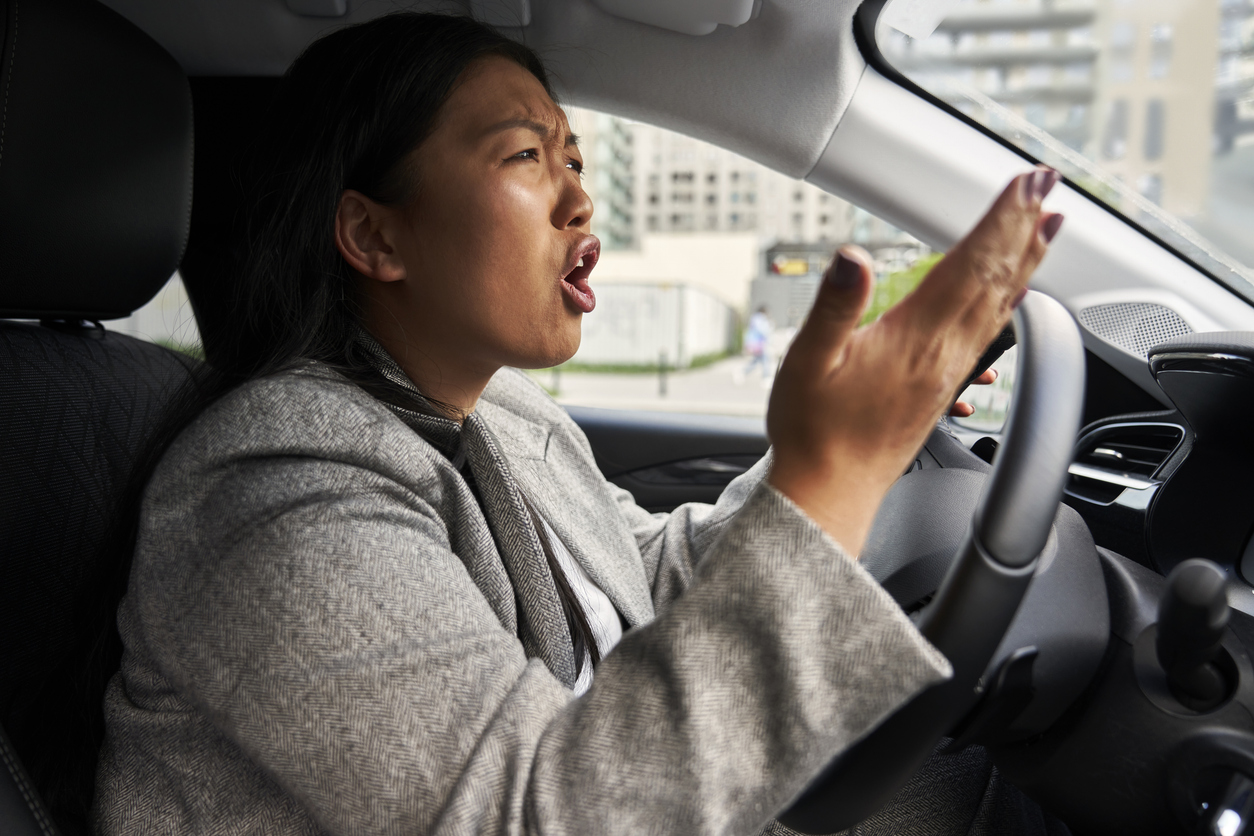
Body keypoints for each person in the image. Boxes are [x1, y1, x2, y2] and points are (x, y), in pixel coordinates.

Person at [92, 13, 1065, 836]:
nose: (580, 197)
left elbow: (640, 581)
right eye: (524, 154)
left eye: (574, 155)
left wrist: (849, 460)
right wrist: (831, 476)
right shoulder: (268, 487)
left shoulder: (495, 406)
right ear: (374, 234)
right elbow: (530, 812)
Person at [738, 305, 776, 386]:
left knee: (756, 361)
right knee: (765, 360)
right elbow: (763, 331)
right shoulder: (759, 319)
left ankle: (742, 373)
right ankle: (766, 378)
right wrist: (770, 328)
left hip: (756, 344)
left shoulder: (756, 318)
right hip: (757, 344)